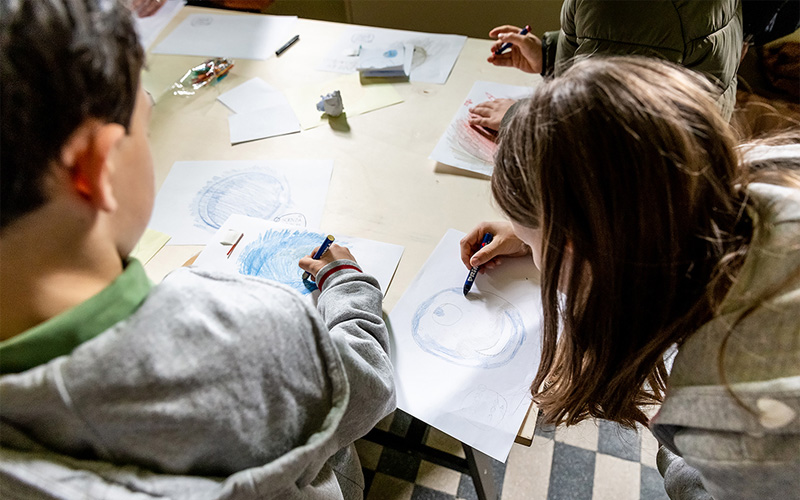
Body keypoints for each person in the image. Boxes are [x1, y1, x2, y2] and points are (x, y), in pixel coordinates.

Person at [0, 1, 395, 498]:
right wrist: (347, 285)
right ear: (93, 169)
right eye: (143, 127)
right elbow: (369, 386)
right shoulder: (255, 337)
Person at [461, 57, 800, 499]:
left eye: (537, 241)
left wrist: (680, 461)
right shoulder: (756, 187)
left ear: (577, 247)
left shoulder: (733, 421)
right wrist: (540, 235)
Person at [468, 0, 743, 131]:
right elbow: (642, 50)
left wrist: (518, 118)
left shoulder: (626, 7)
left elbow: (595, 129)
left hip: (648, 193)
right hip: (691, 153)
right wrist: (550, 57)